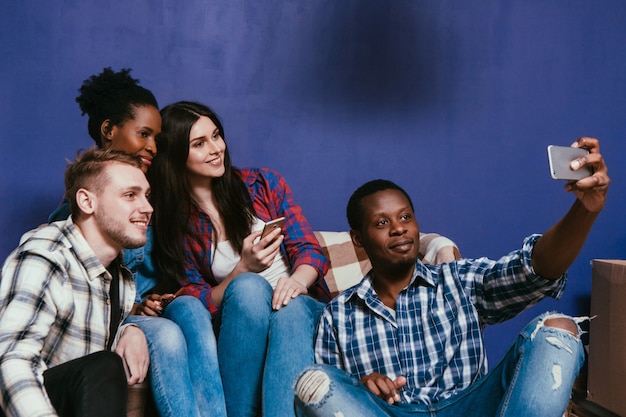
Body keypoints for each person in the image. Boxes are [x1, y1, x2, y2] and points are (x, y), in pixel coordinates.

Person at [294, 137, 610, 417]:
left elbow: (535, 270)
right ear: (358, 239)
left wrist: (585, 210)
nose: (399, 228)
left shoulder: (458, 281)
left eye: (405, 217)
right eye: (381, 223)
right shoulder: (339, 315)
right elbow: (331, 394)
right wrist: (361, 385)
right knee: (316, 384)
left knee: (558, 328)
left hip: (471, 409)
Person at [48, 68, 226, 417]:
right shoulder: (79, 210)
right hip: (114, 315)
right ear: (109, 130)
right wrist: (131, 314)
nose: (153, 147)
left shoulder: (149, 196)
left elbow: (156, 271)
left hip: (146, 307)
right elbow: (81, 295)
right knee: (167, 335)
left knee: (190, 309)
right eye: (144, 134)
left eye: (157, 138)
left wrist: (160, 297)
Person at [148, 101, 331, 417]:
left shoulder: (262, 183)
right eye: (199, 143)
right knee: (247, 287)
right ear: (176, 155)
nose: (216, 148)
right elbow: (197, 298)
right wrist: (242, 269)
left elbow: (309, 250)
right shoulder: (174, 223)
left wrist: (297, 283)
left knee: (290, 309)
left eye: (216, 136)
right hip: (241, 323)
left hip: (300, 310)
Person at [0, 149, 151, 417]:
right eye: (130, 195)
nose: (147, 208)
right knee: (105, 365)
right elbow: (10, 360)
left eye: (146, 196)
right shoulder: (45, 257)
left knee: (107, 364)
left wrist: (132, 330)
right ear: (86, 201)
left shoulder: (118, 277)